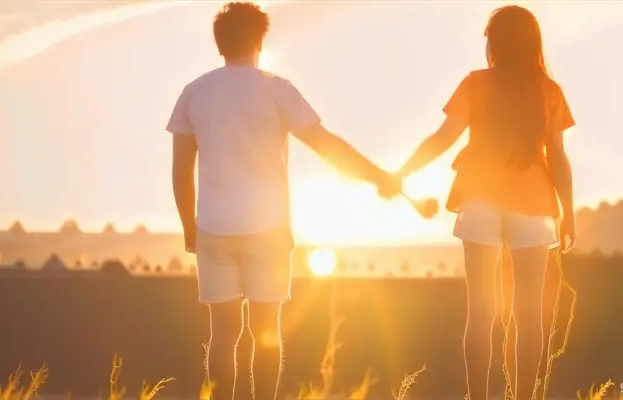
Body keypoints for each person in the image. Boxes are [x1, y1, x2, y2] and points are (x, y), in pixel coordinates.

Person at [166, 3, 400, 399]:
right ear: (260, 40)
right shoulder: (278, 89)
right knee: (266, 331)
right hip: (268, 228)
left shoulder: (193, 93)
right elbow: (327, 146)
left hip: (213, 228)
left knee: (222, 333)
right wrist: (378, 176)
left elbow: (180, 172)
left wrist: (190, 227)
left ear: (218, 43)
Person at [393, 6, 576, 400]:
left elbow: (442, 139)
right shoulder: (550, 91)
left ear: (494, 41)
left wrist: (401, 174)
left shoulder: (475, 84)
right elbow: (559, 159)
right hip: (533, 205)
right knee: (529, 316)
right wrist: (569, 216)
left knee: (480, 312)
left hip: (479, 200)